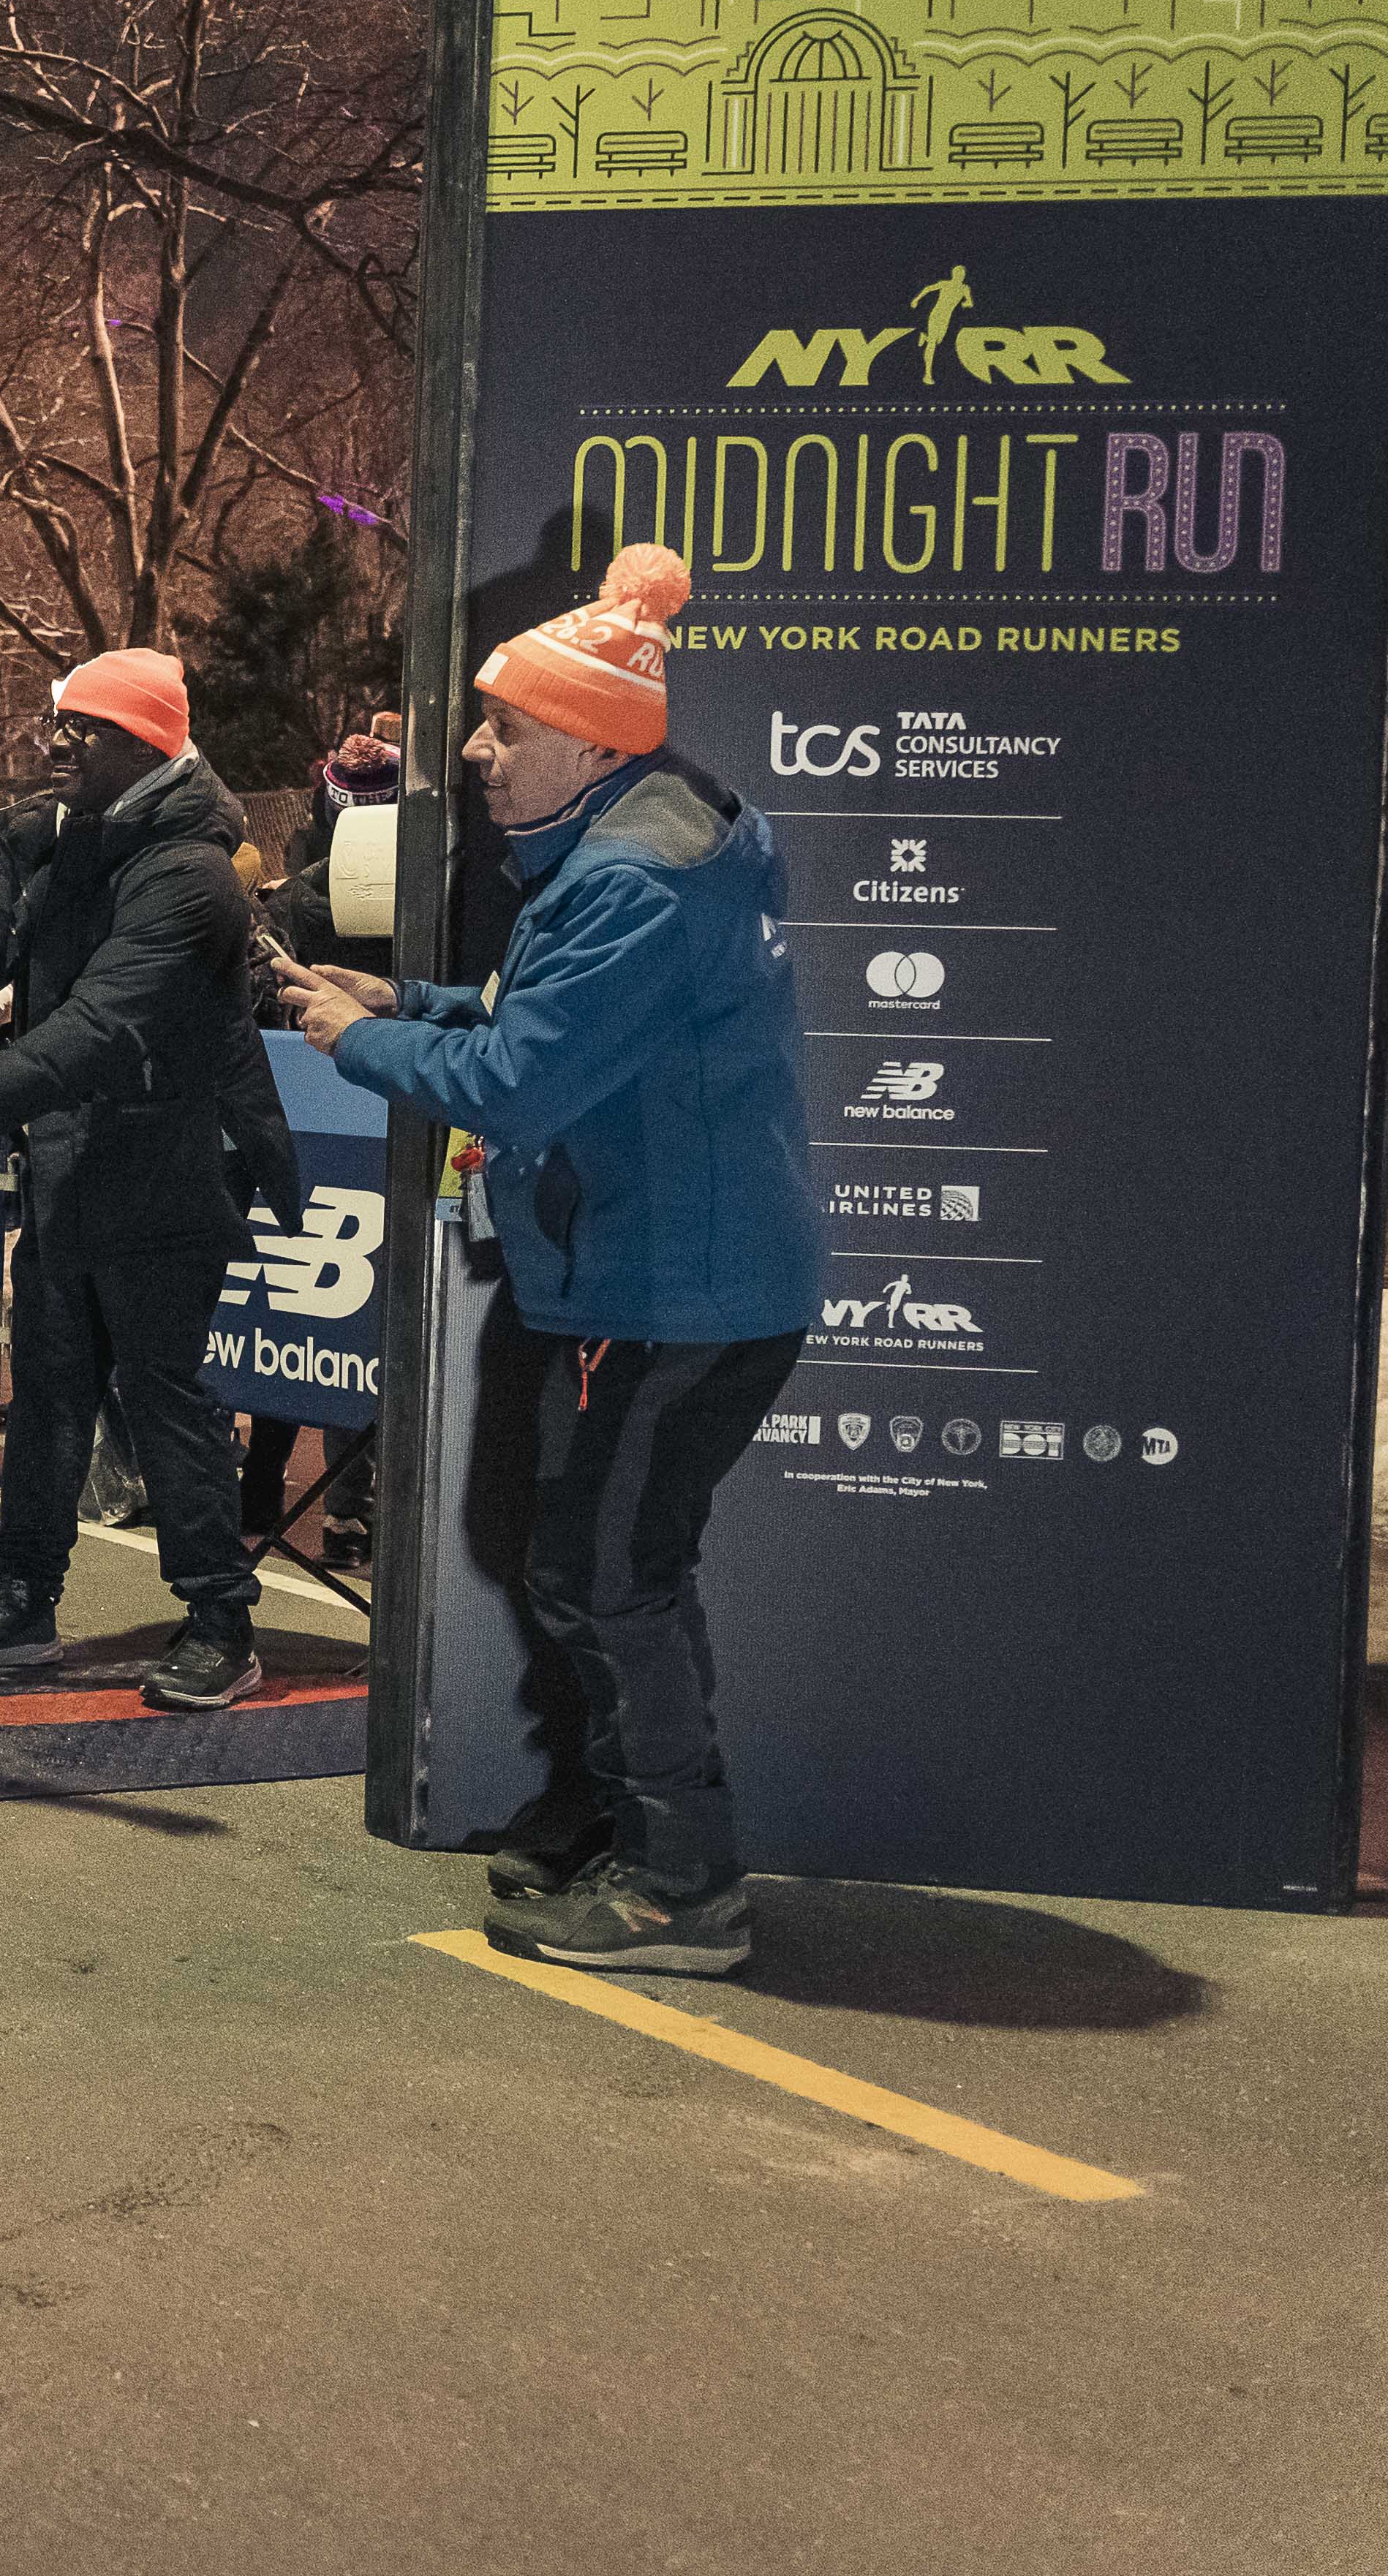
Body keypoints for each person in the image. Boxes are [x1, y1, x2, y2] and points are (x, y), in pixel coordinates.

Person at [278, 543, 815, 1975]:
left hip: (666, 1296)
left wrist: (358, 1038)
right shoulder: (645, 837)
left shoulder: (634, 882)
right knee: (600, 1573)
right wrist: (410, 997)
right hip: (657, 1282)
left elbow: (518, 1080)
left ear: (585, 739)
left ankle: (680, 1890)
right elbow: (553, 1014)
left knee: (611, 1582)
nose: (473, 749)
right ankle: (643, 1847)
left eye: (502, 725)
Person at [0, 648, 303, 1712]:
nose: (56, 741)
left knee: (161, 1394)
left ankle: (220, 1620)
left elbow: (98, 1028)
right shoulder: (60, 833)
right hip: (73, 1153)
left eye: (84, 728)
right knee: (51, 1389)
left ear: (143, 744)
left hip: (173, 1157)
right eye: (58, 721)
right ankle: (22, 1600)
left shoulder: (191, 874)